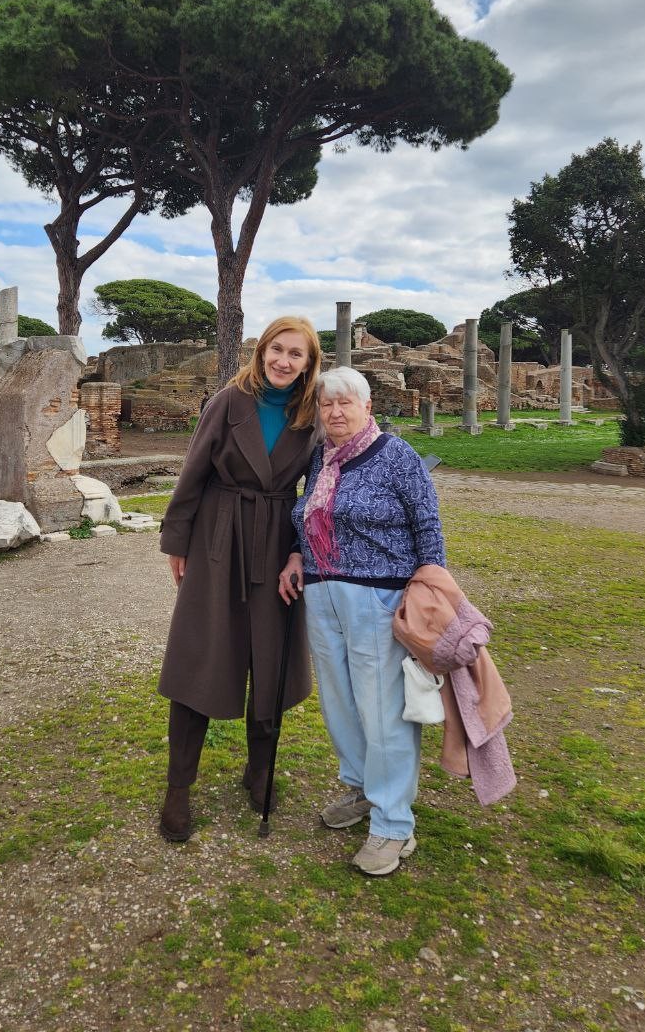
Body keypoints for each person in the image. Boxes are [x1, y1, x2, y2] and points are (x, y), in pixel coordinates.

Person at [157, 317, 323, 842]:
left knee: (270, 661)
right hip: (217, 538)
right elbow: (194, 471)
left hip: (276, 543)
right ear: (262, 350)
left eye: (296, 354)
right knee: (201, 656)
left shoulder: (311, 414)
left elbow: (316, 492)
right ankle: (178, 787)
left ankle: (259, 770)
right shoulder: (229, 402)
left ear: (308, 363)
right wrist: (177, 540)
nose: (284, 361)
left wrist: (299, 551)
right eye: (278, 349)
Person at [279, 366, 445, 876]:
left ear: (368, 408)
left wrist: (427, 591)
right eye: (327, 405)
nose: (335, 413)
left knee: (382, 709)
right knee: (342, 703)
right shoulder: (319, 456)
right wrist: (293, 554)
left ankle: (394, 824)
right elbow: (308, 516)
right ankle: (362, 790)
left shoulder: (397, 456)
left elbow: (428, 526)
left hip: (377, 596)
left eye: (346, 403)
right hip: (323, 593)